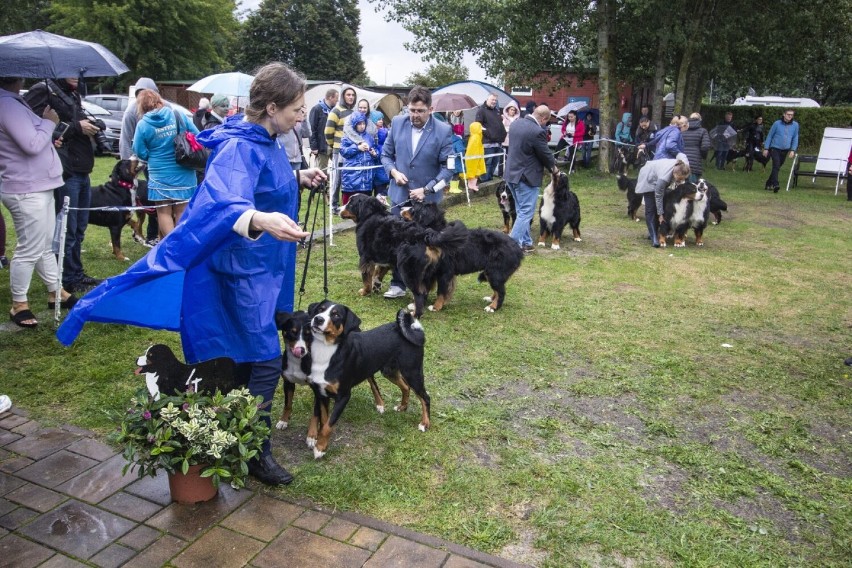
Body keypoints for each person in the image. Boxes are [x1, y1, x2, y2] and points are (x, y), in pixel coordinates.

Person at [57, 62, 327, 486]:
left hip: (262, 268)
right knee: (261, 362)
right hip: (240, 271)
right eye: (295, 107)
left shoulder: (267, 139)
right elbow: (225, 201)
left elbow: (259, 180)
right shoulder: (240, 145)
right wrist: (259, 218)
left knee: (243, 359)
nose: (300, 114)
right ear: (272, 107)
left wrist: (297, 176)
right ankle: (254, 449)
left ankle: (228, 436)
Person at [0, 76, 77, 328]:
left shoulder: (15, 102)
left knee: (44, 245)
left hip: (39, 185)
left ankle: (57, 291)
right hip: (26, 188)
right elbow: (31, 145)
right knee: (29, 248)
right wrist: (48, 123)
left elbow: (32, 142)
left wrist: (47, 139)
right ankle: (19, 305)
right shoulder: (7, 105)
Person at [24, 77, 102, 294]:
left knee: (79, 228)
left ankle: (76, 273)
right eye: (71, 71)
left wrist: (91, 124)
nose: (76, 76)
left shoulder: (71, 93)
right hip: (65, 168)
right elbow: (32, 125)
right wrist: (77, 127)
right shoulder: (43, 91)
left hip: (82, 167)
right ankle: (65, 278)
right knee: (66, 228)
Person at [380, 85, 453, 299]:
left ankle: (423, 286)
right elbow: (386, 155)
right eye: (412, 110)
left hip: (427, 202)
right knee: (398, 242)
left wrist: (428, 188)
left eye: (420, 111)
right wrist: (393, 172)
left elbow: (449, 168)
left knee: (424, 245)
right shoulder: (397, 123)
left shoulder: (443, 130)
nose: (415, 115)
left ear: (430, 109)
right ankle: (397, 283)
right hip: (400, 195)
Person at [132, 90, 199, 236]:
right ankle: (180, 244)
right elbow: (196, 133)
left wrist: (154, 154)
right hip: (184, 171)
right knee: (182, 210)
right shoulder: (177, 115)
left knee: (163, 213)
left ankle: (171, 246)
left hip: (159, 174)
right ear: (159, 100)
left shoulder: (142, 125)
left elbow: (139, 151)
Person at [505, 105, 558, 253]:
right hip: (526, 177)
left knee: (522, 210)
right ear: (543, 118)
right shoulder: (537, 131)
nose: (545, 124)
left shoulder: (515, 123)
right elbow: (545, 154)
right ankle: (511, 245)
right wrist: (554, 169)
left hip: (511, 174)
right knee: (526, 212)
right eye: (546, 122)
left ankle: (526, 242)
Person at [120, 77, 160, 247]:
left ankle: (153, 235)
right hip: (140, 159)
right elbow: (126, 140)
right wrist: (127, 169)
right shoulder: (131, 112)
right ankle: (137, 230)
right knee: (134, 197)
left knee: (158, 197)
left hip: (160, 160)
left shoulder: (165, 108)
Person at [634, 152, 690, 247]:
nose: (680, 181)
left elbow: (681, 154)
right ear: (674, 173)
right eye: (679, 179)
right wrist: (660, 214)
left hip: (658, 171)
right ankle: (654, 238)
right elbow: (658, 196)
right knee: (651, 208)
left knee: (659, 207)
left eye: (683, 179)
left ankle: (655, 231)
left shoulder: (684, 165)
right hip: (648, 178)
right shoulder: (664, 178)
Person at [324, 86, 356, 214]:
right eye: (348, 95)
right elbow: (328, 132)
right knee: (336, 179)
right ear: (343, 96)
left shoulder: (353, 112)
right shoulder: (336, 111)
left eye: (353, 95)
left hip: (350, 151)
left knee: (347, 178)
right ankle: (333, 205)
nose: (351, 97)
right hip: (338, 149)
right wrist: (334, 145)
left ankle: (346, 205)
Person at [339, 111, 378, 203]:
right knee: (349, 205)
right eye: (359, 124)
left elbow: (376, 150)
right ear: (354, 124)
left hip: (366, 180)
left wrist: (374, 153)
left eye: (363, 123)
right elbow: (343, 151)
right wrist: (357, 148)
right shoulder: (347, 137)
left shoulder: (369, 137)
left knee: (365, 206)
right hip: (351, 178)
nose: (362, 126)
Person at [762, 109, 799, 193]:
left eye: (792, 115)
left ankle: (768, 183)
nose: (790, 116)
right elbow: (770, 135)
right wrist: (766, 148)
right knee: (776, 165)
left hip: (785, 149)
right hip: (775, 148)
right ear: (784, 114)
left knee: (778, 167)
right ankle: (775, 184)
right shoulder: (777, 123)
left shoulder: (795, 125)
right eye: (788, 114)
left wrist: (793, 150)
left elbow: (795, 138)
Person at [475, 94, 506, 182]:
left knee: (494, 163)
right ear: (487, 99)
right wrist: (489, 133)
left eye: (495, 100)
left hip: (498, 142)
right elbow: (478, 125)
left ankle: (490, 179)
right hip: (487, 143)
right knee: (487, 163)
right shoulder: (481, 111)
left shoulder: (496, 111)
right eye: (492, 100)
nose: (494, 102)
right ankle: (484, 181)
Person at [308, 88, 338, 172]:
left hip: (333, 145)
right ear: (330, 97)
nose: (337, 100)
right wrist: (314, 147)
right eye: (336, 98)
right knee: (321, 171)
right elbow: (312, 129)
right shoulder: (317, 109)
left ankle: (333, 185)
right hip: (321, 147)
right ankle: (321, 185)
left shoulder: (335, 110)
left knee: (337, 168)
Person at [682, 112, 711, 181]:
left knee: (680, 185)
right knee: (692, 186)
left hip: (682, 159)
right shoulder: (703, 131)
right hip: (695, 161)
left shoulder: (682, 130)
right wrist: (704, 156)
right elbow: (705, 147)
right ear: (700, 120)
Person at [461, 122, 486, 191]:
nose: (481, 130)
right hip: (474, 158)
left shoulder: (475, 136)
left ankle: (473, 185)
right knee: (473, 171)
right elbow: (473, 149)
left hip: (476, 157)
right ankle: (471, 185)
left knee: (476, 171)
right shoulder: (475, 137)